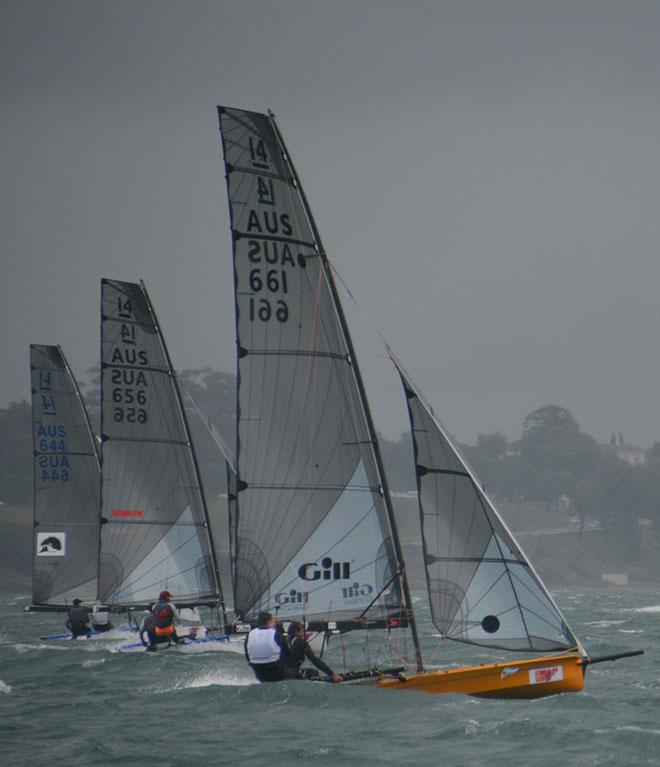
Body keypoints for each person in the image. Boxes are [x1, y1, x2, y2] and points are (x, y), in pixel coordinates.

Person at [245, 611, 291, 682]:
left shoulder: (250, 634)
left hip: (257, 668)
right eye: (273, 621)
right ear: (269, 622)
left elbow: (247, 652)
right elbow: (286, 652)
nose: (275, 623)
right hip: (274, 667)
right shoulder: (275, 633)